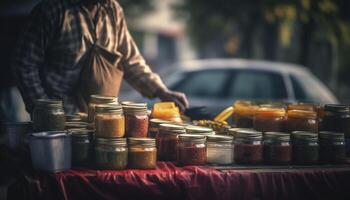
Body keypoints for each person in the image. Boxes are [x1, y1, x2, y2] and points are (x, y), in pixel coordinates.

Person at [12, 0, 189, 115]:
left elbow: (130, 60)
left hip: (101, 122)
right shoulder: (51, 11)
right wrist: (44, 110)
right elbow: (24, 64)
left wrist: (162, 91)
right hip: (59, 122)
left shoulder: (112, 9)